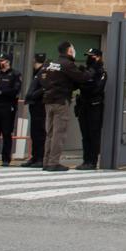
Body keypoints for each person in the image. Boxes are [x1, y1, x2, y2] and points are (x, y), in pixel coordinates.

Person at [40, 41, 90, 172]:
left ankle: (46, 161)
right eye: (73, 49)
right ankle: (54, 162)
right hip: (61, 102)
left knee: (50, 133)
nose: (74, 51)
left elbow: (42, 79)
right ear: (69, 51)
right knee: (59, 133)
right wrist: (89, 71)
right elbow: (82, 78)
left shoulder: (50, 64)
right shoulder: (67, 64)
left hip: (48, 101)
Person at [74, 48, 107, 170]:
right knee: (85, 134)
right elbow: (78, 85)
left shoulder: (101, 72)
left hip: (95, 106)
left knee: (94, 134)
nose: (89, 58)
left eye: (91, 56)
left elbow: (97, 89)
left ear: (98, 57)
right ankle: (86, 160)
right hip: (83, 105)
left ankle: (92, 161)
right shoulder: (86, 71)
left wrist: (85, 84)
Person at [21, 53, 47, 167]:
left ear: (34, 59)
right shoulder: (37, 72)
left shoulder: (43, 71)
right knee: (34, 133)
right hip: (34, 104)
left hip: (40, 104)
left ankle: (40, 158)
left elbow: (45, 87)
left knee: (39, 133)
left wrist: (33, 95)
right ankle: (35, 157)